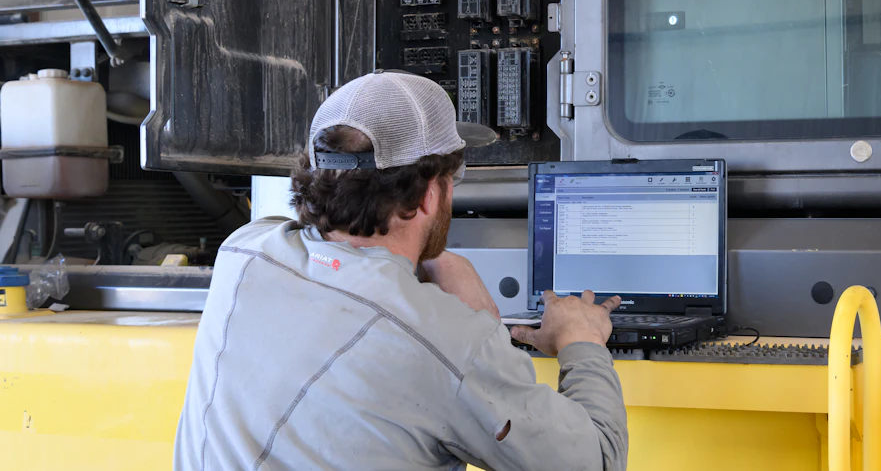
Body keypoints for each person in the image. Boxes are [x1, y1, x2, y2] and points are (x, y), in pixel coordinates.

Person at [174, 71, 628, 471]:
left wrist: (428, 258)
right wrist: (582, 341)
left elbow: (336, 251)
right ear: (430, 196)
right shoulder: (447, 341)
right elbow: (599, 461)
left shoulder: (245, 252)